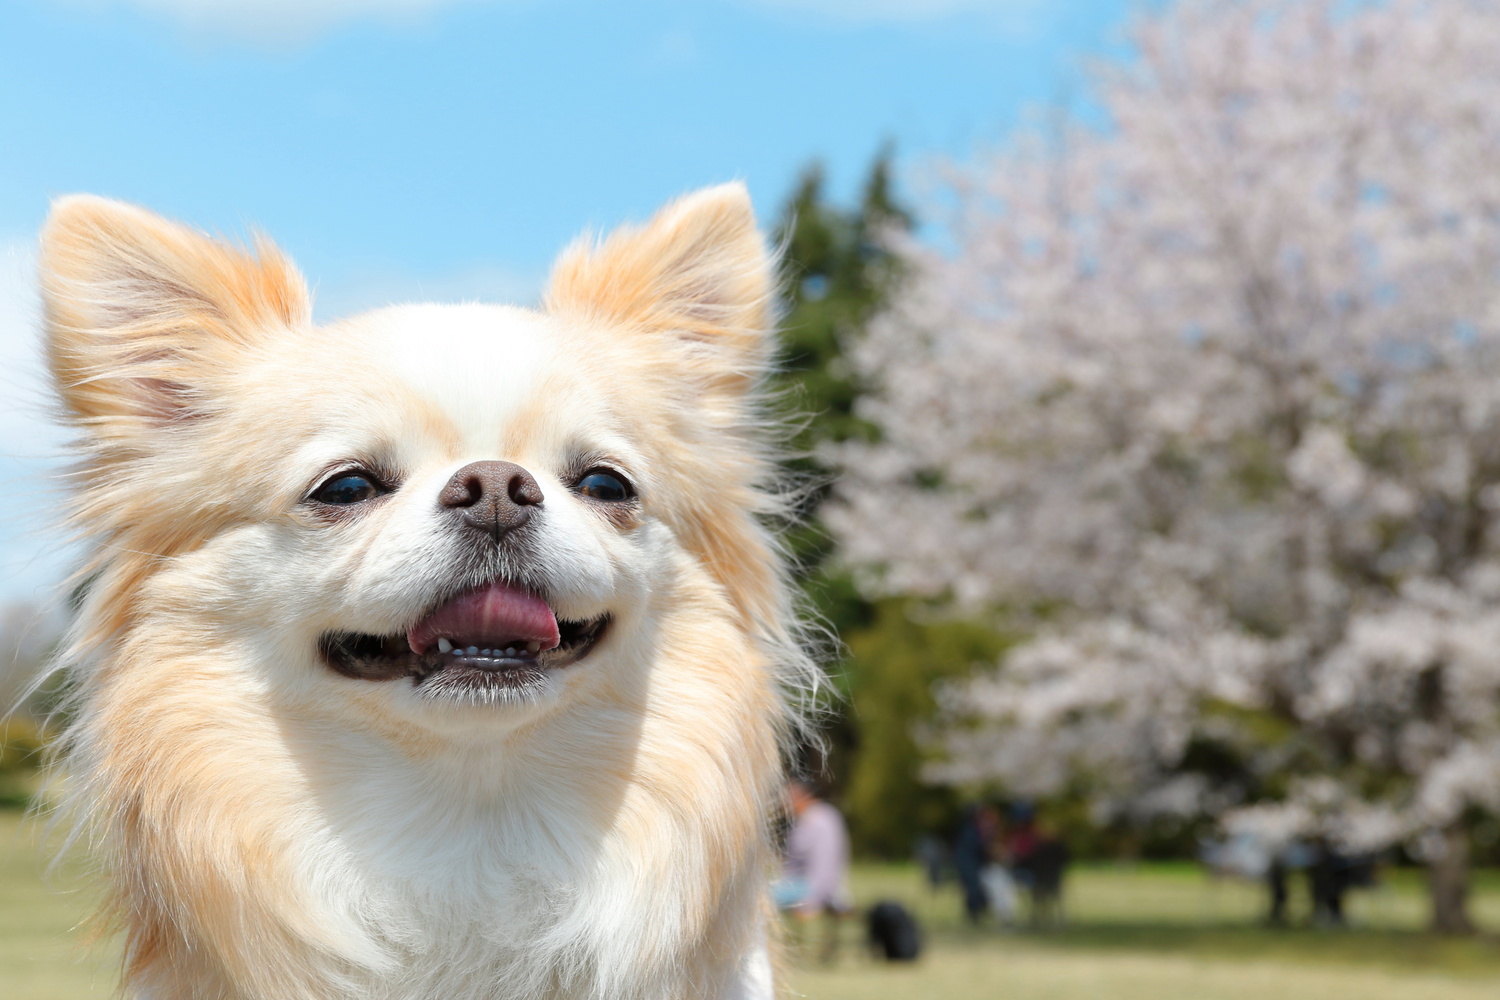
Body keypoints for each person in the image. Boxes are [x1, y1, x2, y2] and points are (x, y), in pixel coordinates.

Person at [774, 779, 852, 961]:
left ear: (801, 796)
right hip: (797, 885)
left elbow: (824, 867)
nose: (782, 802)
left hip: (816, 890)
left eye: (787, 797)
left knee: (758, 899)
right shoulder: (803, 821)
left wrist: (811, 902)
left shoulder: (823, 820)